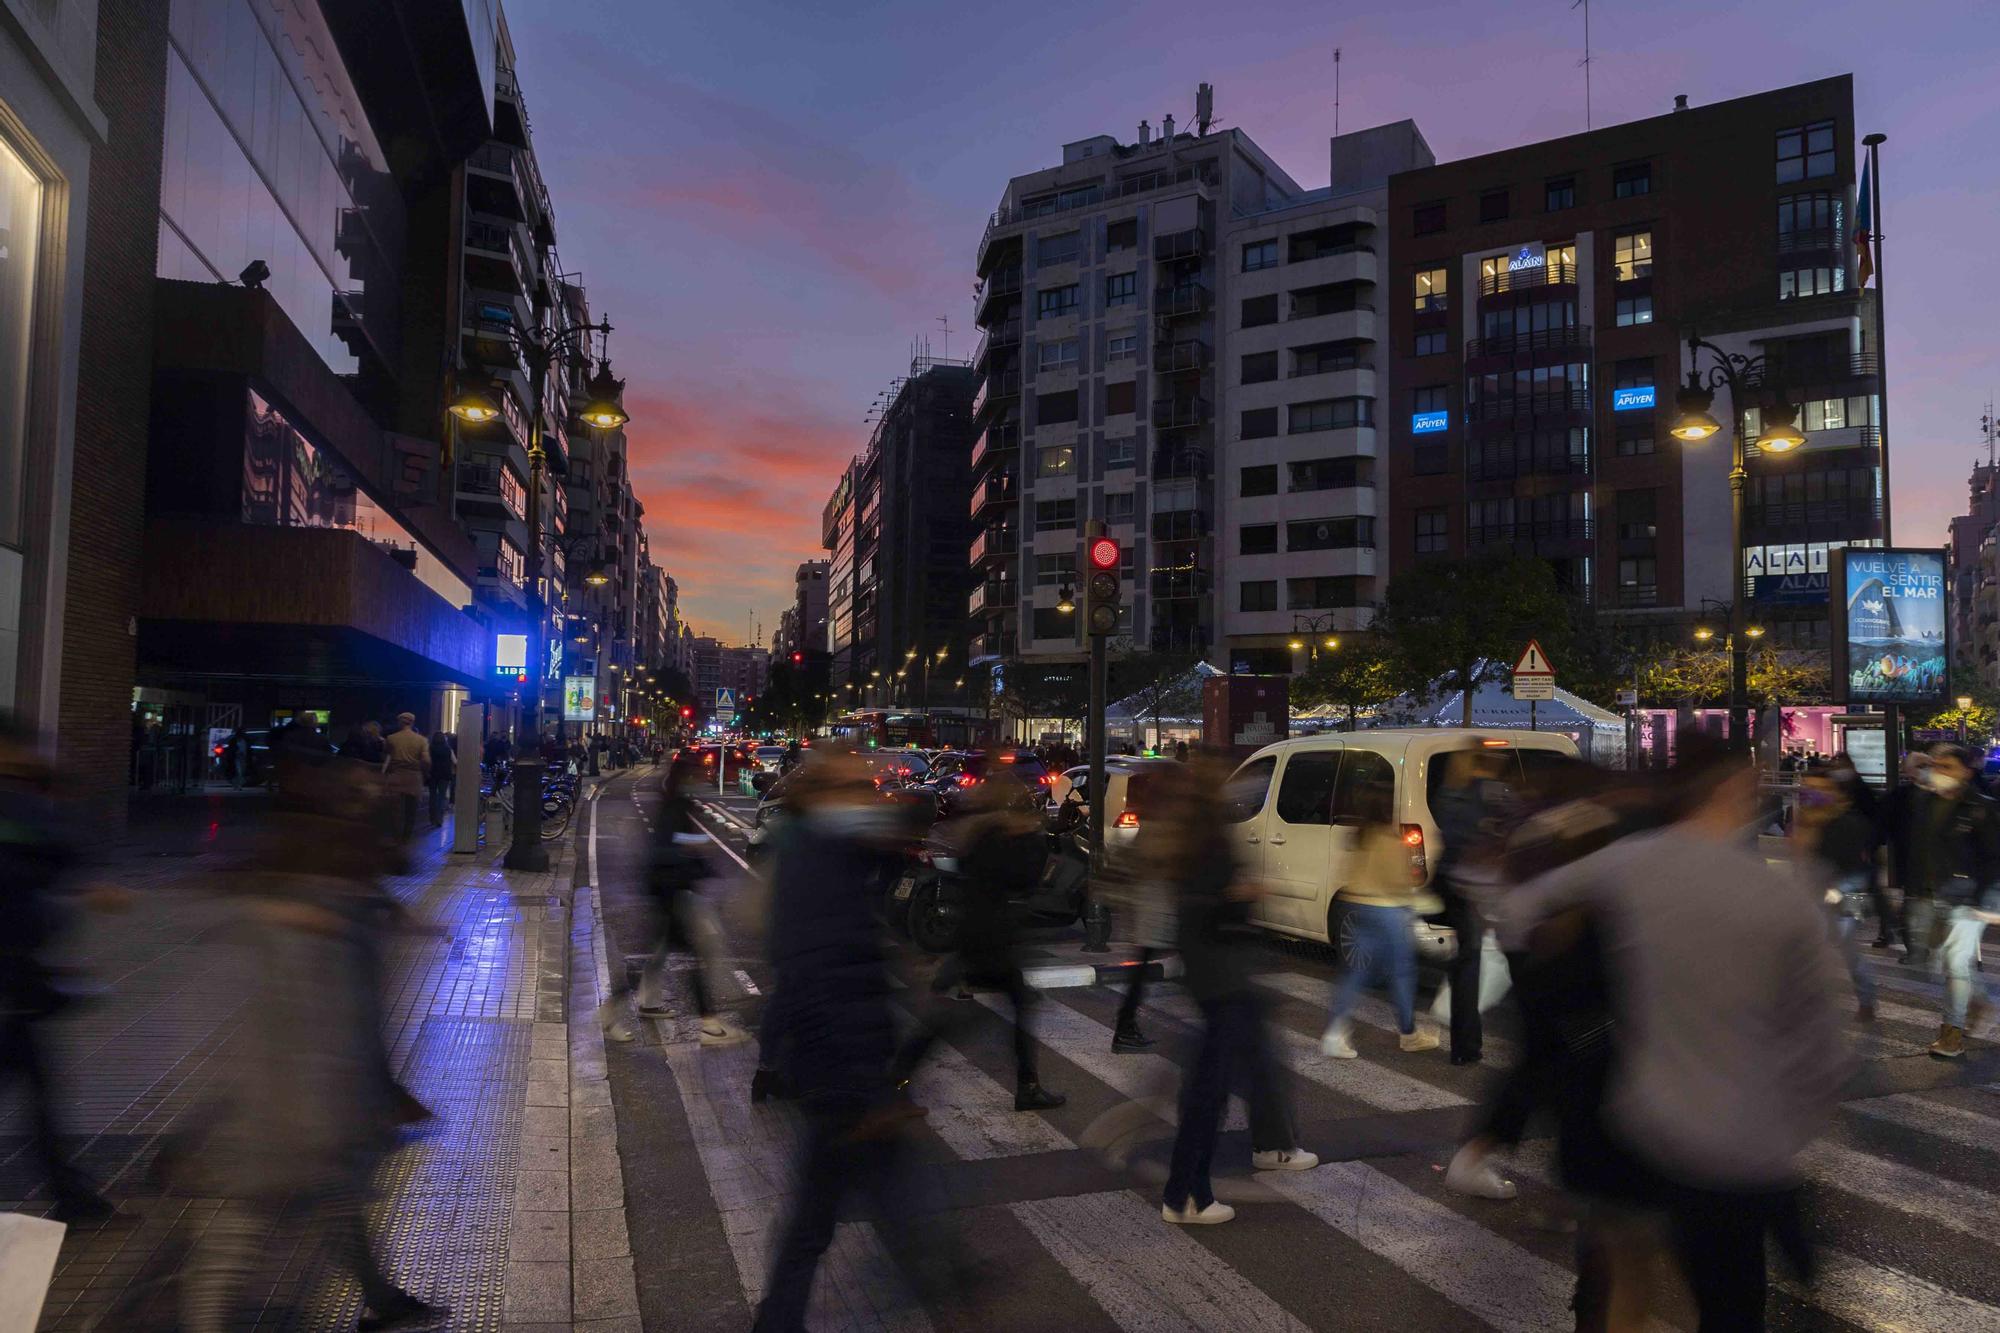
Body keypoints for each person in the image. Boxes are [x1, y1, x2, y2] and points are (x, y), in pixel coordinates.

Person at [1505, 738, 1850, 1330]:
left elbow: (1516, 913)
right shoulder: (1774, 895)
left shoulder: (1632, 862)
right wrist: (1789, 1125)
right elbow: (1823, 1040)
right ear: (1732, 789)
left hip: (1636, 1121)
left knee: (1620, 1278)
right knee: (1729, 1305)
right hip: (1735, 1144)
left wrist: (1584, 993)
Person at [170, 739, 446, 1332]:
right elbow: (314, 1032)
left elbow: (356, 1023)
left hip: (309, 1109)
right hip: (290, 1115)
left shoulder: (336, 913)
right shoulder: (311, 928)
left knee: (330, 1212)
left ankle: (382, 1298)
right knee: (239, 1239)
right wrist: (348, 1109)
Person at [753, 751, 958, 1331]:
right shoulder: (814, 867)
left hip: (841, 1067)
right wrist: (870, 1087)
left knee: (833, 1206)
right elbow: (825, 979)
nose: (864, 796)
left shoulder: (824, 855)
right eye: (851, 788)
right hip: (841, 1071)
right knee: (841, 1205)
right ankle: (942, 1285)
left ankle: (782, 1316)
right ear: (821, 798)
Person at [1151, 758, 1317, 1226]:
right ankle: (1186, 1194)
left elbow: (1191, 908)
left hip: (1209, 974)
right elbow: (1209, 908)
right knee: (1209, 1092)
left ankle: (1195, 1186)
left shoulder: (1188, 836)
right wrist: (1240, 896)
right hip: (1222, 975)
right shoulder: (1209, 838)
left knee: (1214, 1084)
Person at [0, 720, 121, 1224]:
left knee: (37, 1085)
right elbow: (33, 872)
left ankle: (72, 1196)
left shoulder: (21, 803)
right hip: (10, 974)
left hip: (16, 974)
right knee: (35, 1086)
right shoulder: (15, 808)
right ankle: (72, 1197)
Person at [891, 769, 1065, 1111]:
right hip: (992, 938)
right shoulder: (1002, 836)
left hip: (975, 934)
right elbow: (1022, 879)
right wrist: (1030, 837)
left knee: (953, 1013)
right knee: (986, 1012)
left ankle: (899, 1075)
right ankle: (1027, 1086)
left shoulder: (978, 832)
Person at [598, 753, 749, 1046]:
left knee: (659, 956)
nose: (704, 777)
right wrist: (700, 851)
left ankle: (617, 1010)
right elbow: (669, 845)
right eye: (698, 773)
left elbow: (674, 843)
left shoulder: (678, 801)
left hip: (668, 889)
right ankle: (708, 1024)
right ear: (687, 777)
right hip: (671, 891)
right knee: (693, 957)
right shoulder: (676, 805)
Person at [1321, 772, 1440, 1059]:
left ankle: (1335, 1033)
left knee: (1356, 973)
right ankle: (1409, 1034)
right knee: (1402, 973)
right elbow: (1399, 881)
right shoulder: (1388, 839)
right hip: (1387, 910)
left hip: (1356, 905)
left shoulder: (1360, 835)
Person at [1911, 743, 2000, 1058]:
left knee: (1955, 961)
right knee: (1937, 960)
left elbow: (1994, 859)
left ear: (1965, 770)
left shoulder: (1982, 807)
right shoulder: (1927, 803)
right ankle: (1983, 1001)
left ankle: (1952, 1033)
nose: (1939, 771)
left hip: (1972, 895)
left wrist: (1982, 901)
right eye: (1936, 765)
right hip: (1939, 893)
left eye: (1946, 766)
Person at [1428, 743, 1511, 1064]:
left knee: (1467, 963)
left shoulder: (1448, 796)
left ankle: (1465, 1045)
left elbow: (1448, 840)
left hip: (1456, 887)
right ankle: (1468, 1044)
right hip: (1481, 889)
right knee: (1476, 962)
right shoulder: (1490, 793)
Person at [1794, 761, 1879, 1021]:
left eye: (1818, 788)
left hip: (1849, 891)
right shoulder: (1807, 818)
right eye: (1807, 788)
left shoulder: (1850, 822)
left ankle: (1866, 999)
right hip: (1816, 889)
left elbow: (1862, 867)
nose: (1810, 793)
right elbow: (1802, 858)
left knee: (1847, 947)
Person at [381, 712, 430, 840]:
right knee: (411, 810)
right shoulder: (421, 740)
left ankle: (395, 834)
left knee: (395, 809)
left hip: (396, 776)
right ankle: (406, 836)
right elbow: (426, 761)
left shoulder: (391, 738)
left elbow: (386, 754)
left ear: (400, 723)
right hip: (414, 777)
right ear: (412, 722)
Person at [427, 730, 456, 829]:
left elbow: (427, 761)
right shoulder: (448, 749)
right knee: (441, 796)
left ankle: (432, 817)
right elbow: (455, 761)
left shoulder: (430, 748)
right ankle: (439, 819)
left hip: (433, 774)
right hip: (445, 775)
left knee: (432, 796)